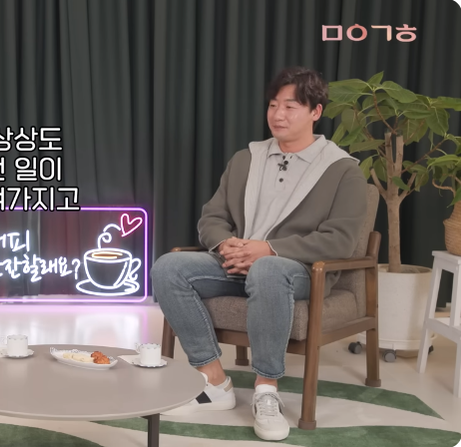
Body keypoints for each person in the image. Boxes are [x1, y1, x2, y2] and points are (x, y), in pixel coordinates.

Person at [151, 66, 367, 441]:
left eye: (291, 106)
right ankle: (214, 381)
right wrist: (226, 244)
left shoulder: (342, 170)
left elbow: (341, 240)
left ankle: (266, 390)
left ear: (316, 112)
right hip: (235, 264)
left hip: (297, 272)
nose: (278, 114)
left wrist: (268, 249)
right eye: (273, 105)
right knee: (168, 267)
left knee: (268, 269)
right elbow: (212, 217)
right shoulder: (246, 159)